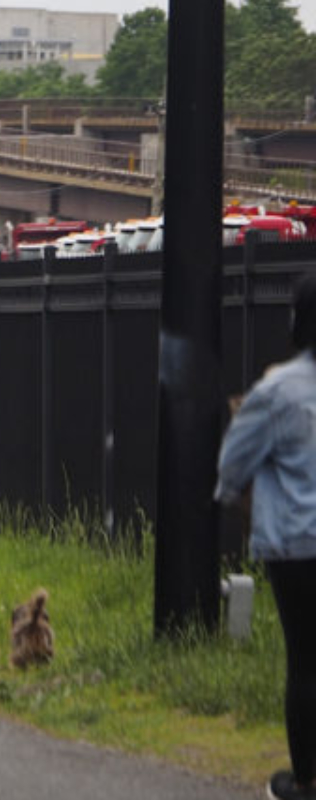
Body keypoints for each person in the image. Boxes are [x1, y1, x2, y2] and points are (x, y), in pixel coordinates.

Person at [218, 273, 316, 800]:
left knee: (305, 660)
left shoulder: (277, 390)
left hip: (297, 543)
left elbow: (233, 468)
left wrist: (239, 493)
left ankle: (304, 780)